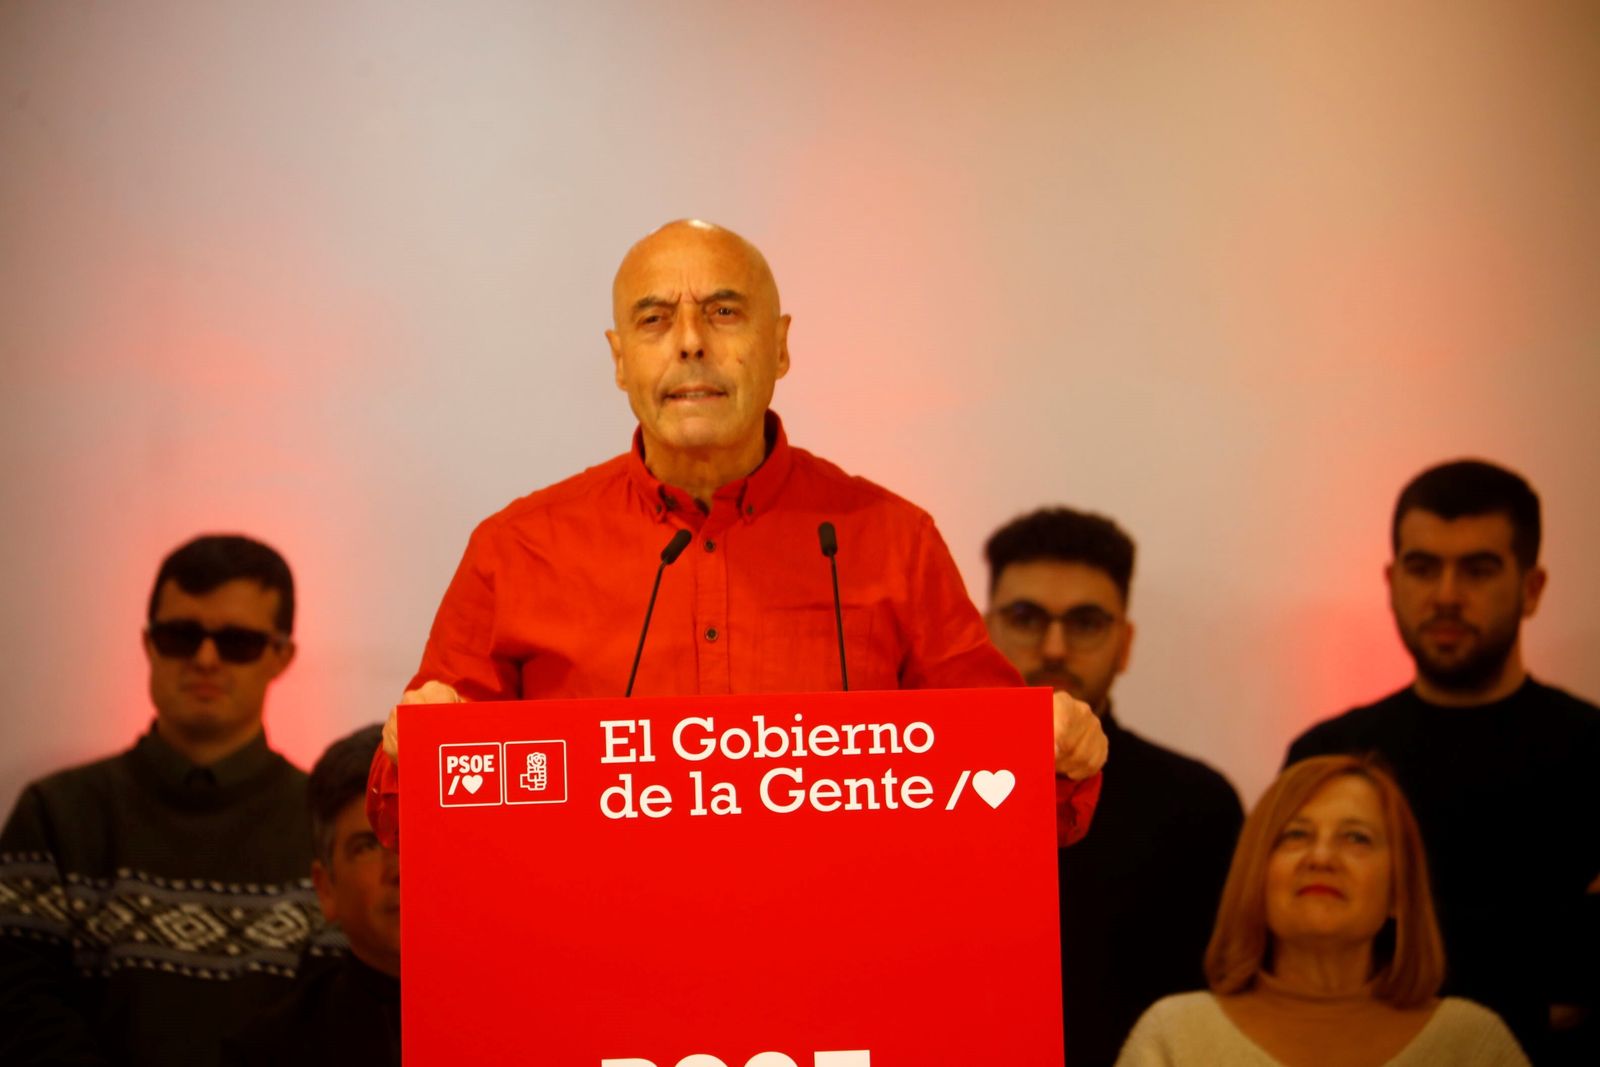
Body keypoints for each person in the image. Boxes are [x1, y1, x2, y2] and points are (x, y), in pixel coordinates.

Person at [367, 218, 1107, 846]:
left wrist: (1059, 749)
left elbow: (1012, 790)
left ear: (780, 346)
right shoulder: (519, 549)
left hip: (839, 981)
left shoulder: (890, 540)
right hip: (596, 981)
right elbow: (411, 819)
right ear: (620, 360)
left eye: (724, 312)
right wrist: (418, 750)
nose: (690, 342)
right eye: (655, 320)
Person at [1285, 459, 1600, 1063]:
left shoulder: (1595, 752)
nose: (1447, 596)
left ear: (1532, 589)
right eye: (1423, 568)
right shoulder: (1328, 754)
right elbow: (1297, 952)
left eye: (1478, 570)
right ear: (1391, 579)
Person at [0, 534, 322, 1067]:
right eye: (180, 635)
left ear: (281, 656)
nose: (205, 659)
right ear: (148, 644)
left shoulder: (327, 826)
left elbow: (345, 1021)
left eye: (237, 641)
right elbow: (16, 1009)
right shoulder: (54, 815)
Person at [984, 506, 1244, 1066]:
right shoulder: (919, 791)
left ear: (1124, 643)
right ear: (985, 628)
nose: (1054, 648)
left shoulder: (1200, 805)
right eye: (1026, 616)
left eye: (1085, 622)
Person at [1116, 755, 1528, 1066]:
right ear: (1255, 878)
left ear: (1399, 893)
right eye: (1296, 835)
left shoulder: (1472, 1043)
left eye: (1356, 839)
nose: (1322, 857)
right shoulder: (1174, 1037)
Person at [223, 724, 400, 1067]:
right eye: (368, 846)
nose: (400, 869)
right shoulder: (266, 1052)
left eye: (419, 836)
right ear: (326, 888)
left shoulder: (527, 1017)